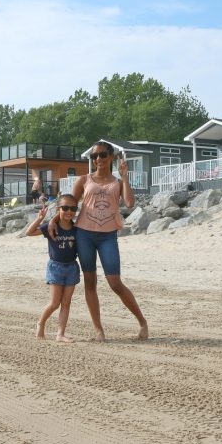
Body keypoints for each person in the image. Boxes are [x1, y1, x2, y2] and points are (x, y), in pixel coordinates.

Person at [72, 142, 148, 342]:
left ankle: (142, 322)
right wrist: (53, 222)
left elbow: (130, 203)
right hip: (84, 235)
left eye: (102, 155)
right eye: (94, 156)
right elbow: (68, 205)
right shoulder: (83, 180)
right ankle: (98, 330)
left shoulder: (117, 181)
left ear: (111, 157)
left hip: (107, 236)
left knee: (115, 283)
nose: (98, 159)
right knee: (90, 283)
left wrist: (124, 176)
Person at [25, 194, 80, 342]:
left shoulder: (77, 229)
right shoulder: (52, 227)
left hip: (72, 268)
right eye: (65, 208)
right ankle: (41, 323)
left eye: (73, 208)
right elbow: (29, 232)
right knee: (55, 303)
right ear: (58, 209)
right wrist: (40, 218)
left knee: (66, 303)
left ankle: (60, 334)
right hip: (55, 267)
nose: (69, 211)